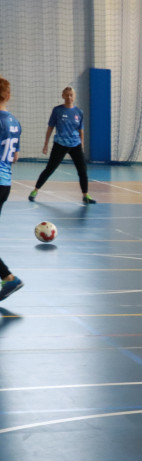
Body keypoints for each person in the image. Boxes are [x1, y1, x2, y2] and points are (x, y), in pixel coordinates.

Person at [28, 87, 97, 205]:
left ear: (74, 96)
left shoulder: (79, 112)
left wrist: (82, 145)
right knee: (50, 168)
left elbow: (81, 130)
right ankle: (35, 190)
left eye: (71, 95)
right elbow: (50, 127)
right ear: (63, 96)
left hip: (75, 145)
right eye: (67, 95)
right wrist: (46, 144)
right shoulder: (57, 110)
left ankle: (85, 195)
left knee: (82, 170)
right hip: (60, 144)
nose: (69, 97)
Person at [0, 77, 24, 303]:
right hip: (5, 183)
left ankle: (8, 277)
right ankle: (7, 277)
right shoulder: (15, 122)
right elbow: (14, 157)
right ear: (8, 95)